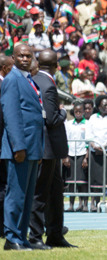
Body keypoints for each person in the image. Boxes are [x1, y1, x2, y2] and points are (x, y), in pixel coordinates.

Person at [28, 50, 73, 249]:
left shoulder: (39, 79)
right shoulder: (46, 84)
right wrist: (63, 111)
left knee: (55, 193)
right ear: (56, 65)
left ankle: (55, 234)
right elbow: (52, 119)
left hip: (50, 149)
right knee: (41, 193)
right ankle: (36, 236)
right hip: (46, 148)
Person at [2, 43, 44, 250]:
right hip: (20, 147)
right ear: (13, 58)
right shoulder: (12, 80)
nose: (25, 59)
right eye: (21, 56)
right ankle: (11, 238)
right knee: (16, 194)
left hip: (33, 146)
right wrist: (18, 146)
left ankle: (22, 236)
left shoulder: (29, 80)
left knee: (27, 197)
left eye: (29, 56)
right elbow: (11, 115)